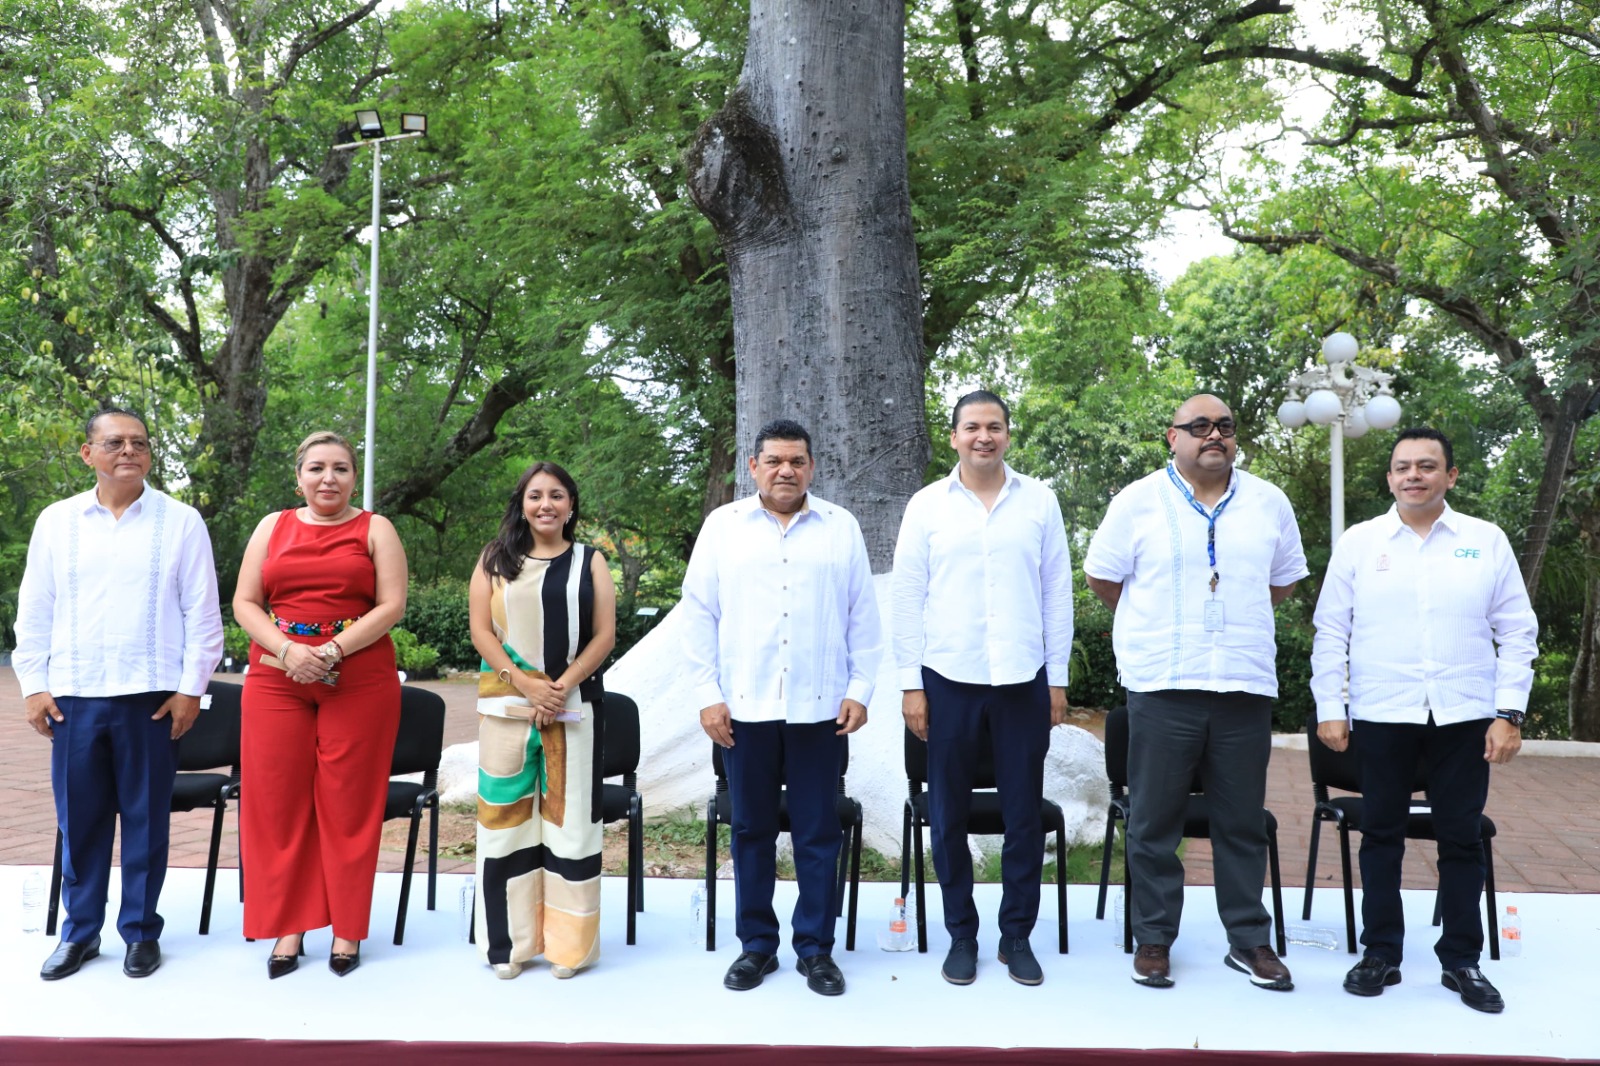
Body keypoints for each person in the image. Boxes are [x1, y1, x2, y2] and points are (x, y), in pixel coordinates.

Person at [1084, 393, 1308, 992]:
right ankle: (1154, 937)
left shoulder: (1268, 501)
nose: (1215, 435)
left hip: (1242, 685)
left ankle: (1249, 942)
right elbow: (1103, 576)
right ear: (1172, 437)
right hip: (1162, 684)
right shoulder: (1137, 501)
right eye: (1200, 426)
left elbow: (1281, 582)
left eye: (1225, 426)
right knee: (1155, 822)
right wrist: (1155, 621)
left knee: (1241, 822)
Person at [1311, 427, 1537, 1013]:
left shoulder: (1485, 542)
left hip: (1464, 717)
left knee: (1461, 838)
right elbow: (1331, 629)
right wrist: (1330, 707)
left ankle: (1461, 960)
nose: (1414, 475)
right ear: (1389, 478)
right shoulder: (1360, 542)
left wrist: (1509, 713)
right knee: (1380, 836)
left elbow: (1517, 631)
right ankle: (1380, 951)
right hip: (1383, 715)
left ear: (1450, 476)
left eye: (1427, 466)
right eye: (1403, 467)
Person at [16, 407, 224, 981]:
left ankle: (139, 933)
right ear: (89, 454)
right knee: (78, 823)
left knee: (146, 821)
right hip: (75, 698)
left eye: (139, 442)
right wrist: (34, 685)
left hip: (151, 700)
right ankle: (79, 934)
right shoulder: (57, 522)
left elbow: (203, 614)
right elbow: (34, 611)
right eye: (114, 442)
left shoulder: (181, 522)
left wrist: (191, 691)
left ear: (150, 454)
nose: (128, 451)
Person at [680, 419, 882, 997]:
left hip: (820, 710)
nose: (785, 471)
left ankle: (816, 950)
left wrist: (860, 689)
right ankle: (756, 947)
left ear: (812, 467)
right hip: (743, 709)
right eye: (774, 461)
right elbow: (698, 615)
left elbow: (863, 616)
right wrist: (707, 696)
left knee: (819, 832)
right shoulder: (724, 528)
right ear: (754, 466)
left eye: (797, 461)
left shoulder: (840, 528)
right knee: (751, 829)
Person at [890, 390, 1073, 987]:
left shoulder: (1039, 501)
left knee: (1024, 815)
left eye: (994, 426)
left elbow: (1056, 594)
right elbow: (908, 598)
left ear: (1008, 434)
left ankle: (1015, 935)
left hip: (1023, 682)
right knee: (948, 817)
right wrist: (910, 685)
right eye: (972, 427)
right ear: (954, 436)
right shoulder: (926, 506)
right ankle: (961, 936)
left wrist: (1058, 678)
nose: (983, 437)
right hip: (949, 681)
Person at [233, 430, 407, 978]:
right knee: (278, 804)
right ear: (299, 476)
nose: (328, 478)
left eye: (340, 468)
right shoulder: (272, 526)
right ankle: (290, 926)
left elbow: (392, 605)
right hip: (276, 675)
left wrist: (330, 650)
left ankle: (348, 930)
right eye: (316, 468)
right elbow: (244, 601)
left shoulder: (375, 528)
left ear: (354, 476)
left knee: (348, 804)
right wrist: (289, 651)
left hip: (358, 675)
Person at [468, 461, 616, 980]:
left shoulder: (590, 561)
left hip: (573, 710)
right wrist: (525, 684)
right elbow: (481, 631)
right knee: (503, 826)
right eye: (536, 495)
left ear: (571, 505)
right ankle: (507, 946)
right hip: (505, 712)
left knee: (572, 827)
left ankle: (569, 948)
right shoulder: (495, 559)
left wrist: (559, 687)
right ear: (523, 503)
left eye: (557, 495)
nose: (546, 504)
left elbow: (604, 636)